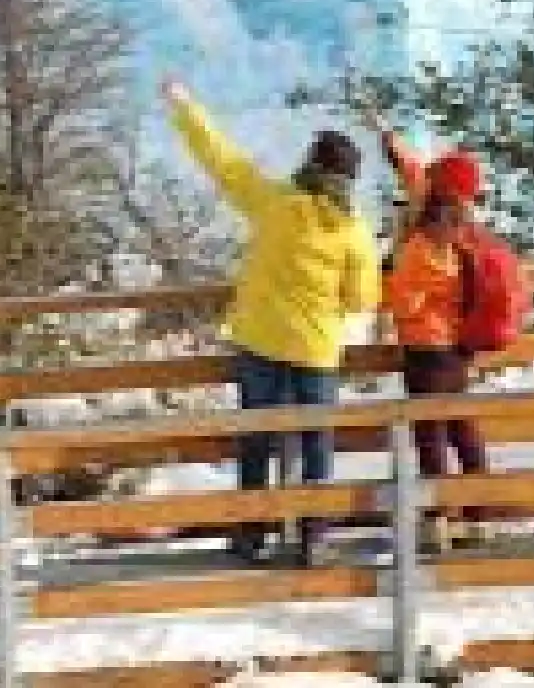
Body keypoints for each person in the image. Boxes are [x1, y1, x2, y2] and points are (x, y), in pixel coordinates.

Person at [162, 77, 380, 565]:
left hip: (259, 341)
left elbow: (223, 161)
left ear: (311, 165)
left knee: (256, 439)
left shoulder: (274, 203)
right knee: (315, 443)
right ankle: (312, 535)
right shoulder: (355, 232)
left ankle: (251, 532)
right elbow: (364, 296)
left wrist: (186, 106)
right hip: (316, 349)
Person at [368, 113, 492, 551]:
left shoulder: (423, 245)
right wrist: (389, 137)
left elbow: (401, 301)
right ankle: (478, 516)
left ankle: (438, 518)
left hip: (426, 349)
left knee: (430, 435)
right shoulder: (469, 234)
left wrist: (386, 275)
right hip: (460, 350)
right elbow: (411, 168)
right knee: (463, 428)